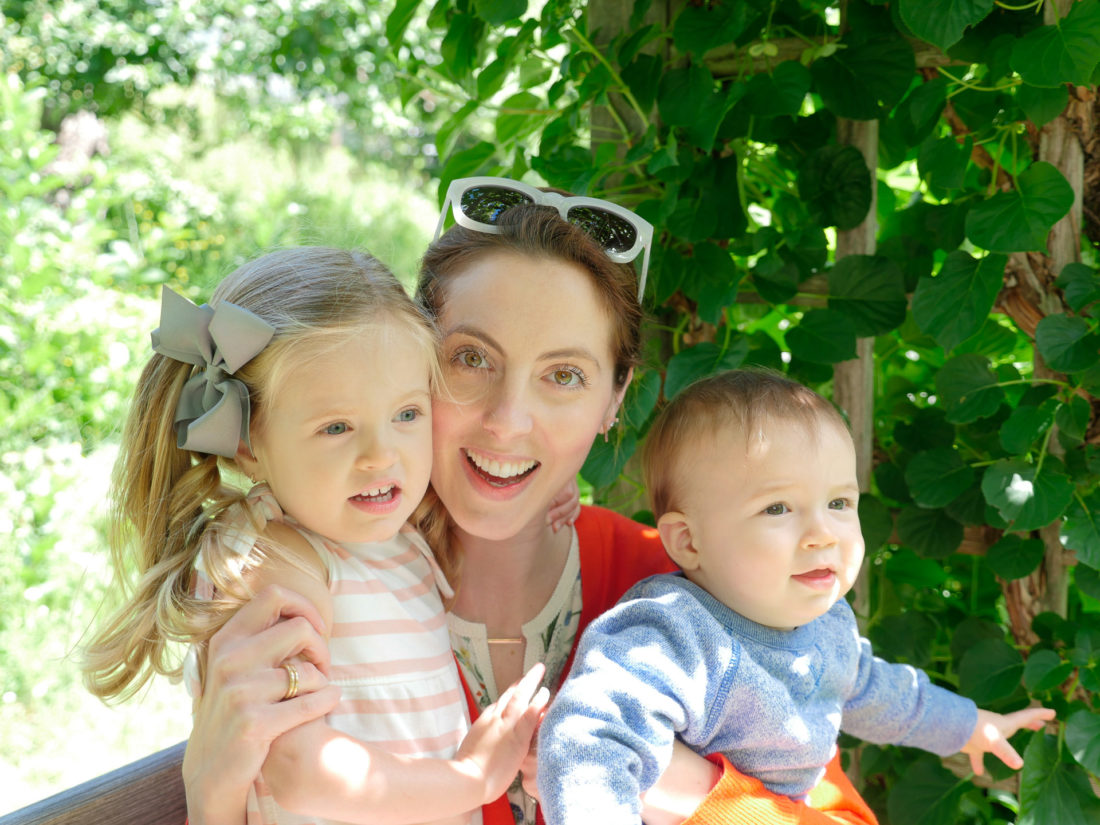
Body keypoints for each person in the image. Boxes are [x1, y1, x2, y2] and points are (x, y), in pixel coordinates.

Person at [181, 178, 886, 825]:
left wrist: (670, 777)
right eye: (472, 359)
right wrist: (209, 796)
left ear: (614, 398)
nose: (508, 420)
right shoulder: (330, 576)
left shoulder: (686, 587)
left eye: (565, 375)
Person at [82, 247, 551, 825]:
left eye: (406, 414)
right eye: (336, 427)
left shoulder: (394, 542)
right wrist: (472, 778)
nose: (382, 455)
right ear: (250, 444)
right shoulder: (275, 554)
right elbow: (303, 774)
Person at [536, 369, 1056, 824]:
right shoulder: (673, 632)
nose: (823, 534)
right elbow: (589, 737)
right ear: (689, 541)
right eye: (778, 508)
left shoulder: (826, 626)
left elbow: (879, 691)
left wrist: (969, 725)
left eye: (838, 502)